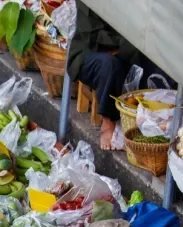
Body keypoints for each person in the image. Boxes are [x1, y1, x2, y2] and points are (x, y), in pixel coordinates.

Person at [66, 2, 163, 150]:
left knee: (155, 62)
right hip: (90, 53)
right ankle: (108, 121)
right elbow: (92, 34)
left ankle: (146, 119)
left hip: (125, 50)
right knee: (110, 65)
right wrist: (126, 41)